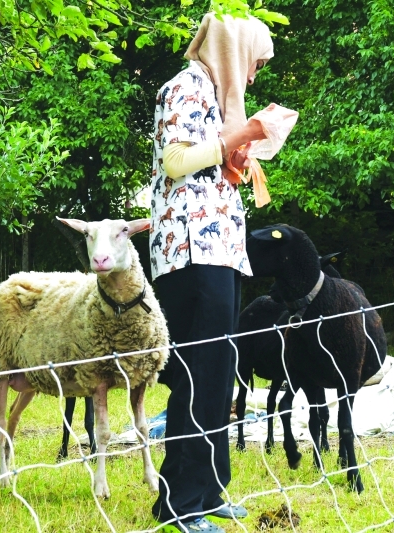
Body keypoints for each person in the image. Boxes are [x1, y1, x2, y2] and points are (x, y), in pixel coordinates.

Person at [149, 12, 274, 533]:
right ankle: (183, 504)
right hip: (190, 254)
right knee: (200, 376)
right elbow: (176, 161)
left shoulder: (215, 96)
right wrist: (235, 136)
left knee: (218, 373)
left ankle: (208, 487)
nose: (251, 78)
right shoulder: (184, 86)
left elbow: (205, 173)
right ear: (233, 51)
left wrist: (240, 152)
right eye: (252, 65)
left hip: (217, 250)